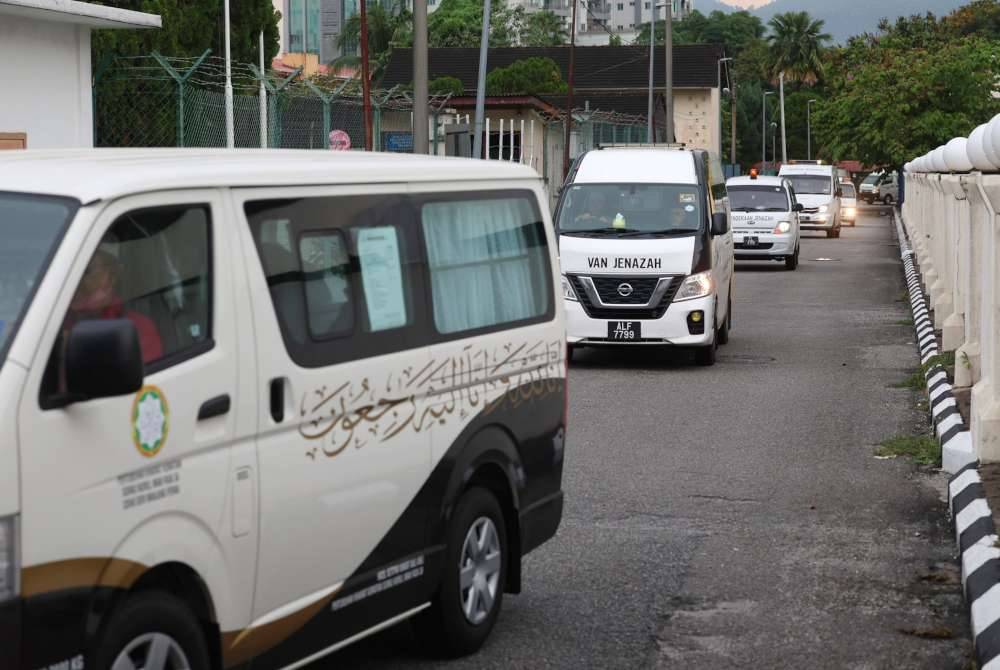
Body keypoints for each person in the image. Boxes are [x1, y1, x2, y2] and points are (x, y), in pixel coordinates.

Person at [65, 248, 163, 364]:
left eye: (86, 271)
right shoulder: (55, 322)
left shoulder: (137, 328)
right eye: (73, 272)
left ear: (111, 278)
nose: (79, 281)